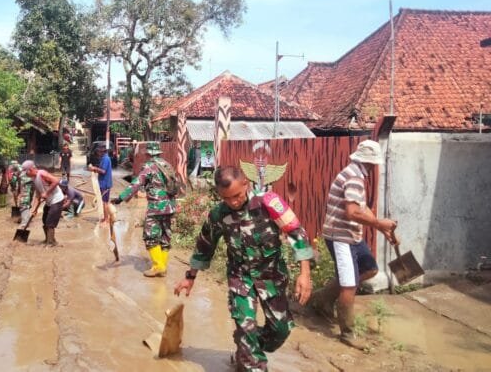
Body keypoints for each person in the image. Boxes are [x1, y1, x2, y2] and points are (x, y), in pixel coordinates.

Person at [173, 166, 314, 371]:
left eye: (237, 196)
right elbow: (205, 245)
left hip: (271, 277)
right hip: (240, 279)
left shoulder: (268, 202)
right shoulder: (219, 214)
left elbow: (296, 233)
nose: (233, 202)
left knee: (280, 330)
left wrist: (305, 273)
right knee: (246, 328)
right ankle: (250, 358)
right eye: (226, 198)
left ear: (246, 184)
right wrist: (190, 276)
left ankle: (245, 347)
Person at [311, 140, 398, 350]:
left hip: (351, 235)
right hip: (340, 237)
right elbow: (352, 212)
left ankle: (322, 298)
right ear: (371, 161)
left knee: (369, 269)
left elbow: (362, 207)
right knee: (349, 286)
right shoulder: (354, 177)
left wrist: (383, 229)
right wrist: (379, 223)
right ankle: (348, 333)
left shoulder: (355, 173)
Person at [111, 141, 176, 277]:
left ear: (148, 153)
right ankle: (163, 266)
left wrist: (120, 198)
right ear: (159, 152)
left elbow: (136, 184)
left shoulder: (149, 167)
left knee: (150, 236)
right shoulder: (167, 165)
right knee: (165, 236)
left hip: (156, 207)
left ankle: (158, 266)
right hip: (170, 206)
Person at [22, 160, 65, 246]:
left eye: (25, 172)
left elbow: (56, 181)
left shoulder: (41, 173)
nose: (25, 174)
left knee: (50, 222)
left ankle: (50, 244)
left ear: (30, 170)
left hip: (57, 200)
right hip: (49, 201)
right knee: (45, 221)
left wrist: (47, 193)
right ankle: (50, 240)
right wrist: (34, 209)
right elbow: (38, 195)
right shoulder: (34, 179)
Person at [88, 143, 112, 222]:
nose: (98, 154)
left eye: (98, 152)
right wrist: (95, 169)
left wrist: (94, 168)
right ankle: (106, 218)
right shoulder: (104, 158)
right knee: (104, 201)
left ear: (102, 152)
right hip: (103, 183)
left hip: (104, 184)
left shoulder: (105, 159)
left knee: (104, 202)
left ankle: (106, 219)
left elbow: (103, 171)